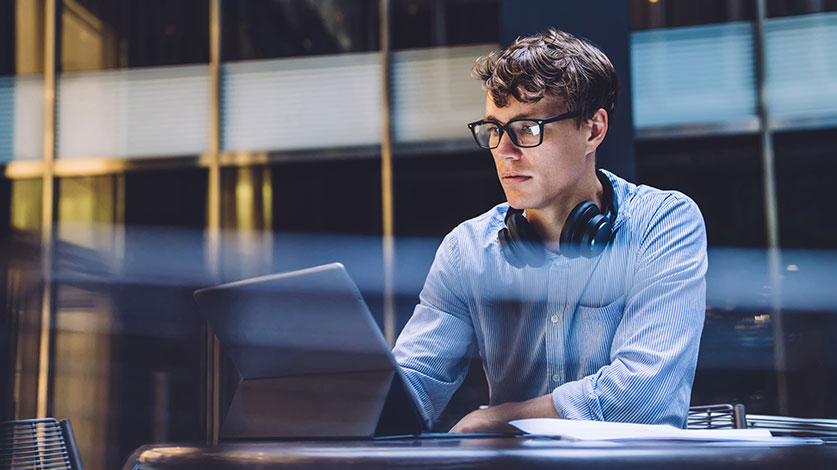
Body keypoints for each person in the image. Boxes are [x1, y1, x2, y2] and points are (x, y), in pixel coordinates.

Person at [392, 29, 707, 433]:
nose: (504, 152)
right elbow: (413, 385)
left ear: (593, 130)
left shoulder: (664, 224)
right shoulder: (466, 250)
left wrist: (494, 420)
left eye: (527, 129)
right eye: (494, 130)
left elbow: (641, 396)